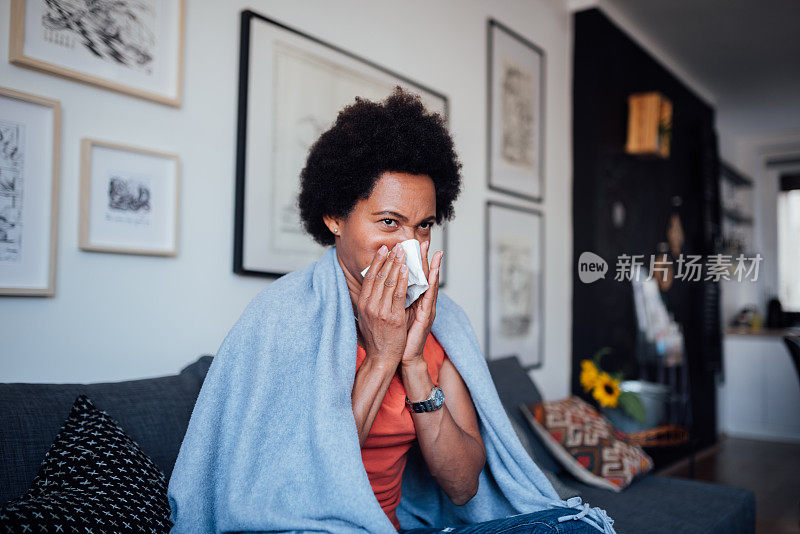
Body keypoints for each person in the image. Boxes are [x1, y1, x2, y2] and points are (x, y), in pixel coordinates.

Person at [167, 87, 615, 534]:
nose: (409, 245)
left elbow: (462, 488)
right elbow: (300, 488)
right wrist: (381, 357)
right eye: (389, 222)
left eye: (423, 227)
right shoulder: (283, 316)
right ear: (334, 217)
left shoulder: (443, 322)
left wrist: (413, 362)